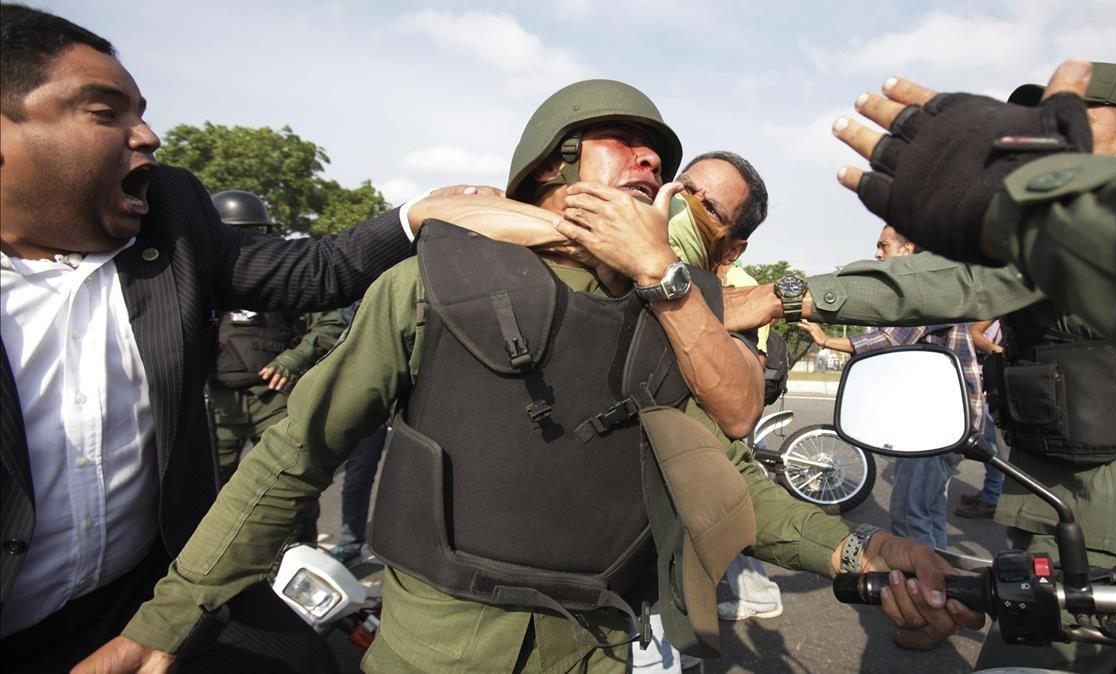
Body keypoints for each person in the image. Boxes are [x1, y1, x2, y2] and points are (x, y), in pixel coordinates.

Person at [83, 78, 978, 674]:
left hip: (594, 646)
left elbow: (726, 482)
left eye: (658, 157)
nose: (650, 163)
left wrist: (862, 551)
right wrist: (166, 621)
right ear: (553, 164)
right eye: (623, 144)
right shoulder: (428, 282)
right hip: (432, 650)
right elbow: (292, 461)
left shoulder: (675, 311)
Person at [0, 6, 413, 672]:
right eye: (106, 113)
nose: (148, 136)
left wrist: (421, 217)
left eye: (141, 111)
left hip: (146, 591)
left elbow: (316, 269)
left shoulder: (171, 221)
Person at [822, 60, 1116, 672]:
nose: (1046, 131)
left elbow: (966, 280)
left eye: (1074, 118)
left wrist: (785, 296)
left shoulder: (1112, 228)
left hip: (1111, 518)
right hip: (1060, 500)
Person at [798, 225, 983, 652]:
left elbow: (890, 337)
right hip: (940, 423)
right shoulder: (939, 284)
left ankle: (930, 616)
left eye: (884, 246)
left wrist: (827, 337)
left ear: (909, 249)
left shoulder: (926, 290)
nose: (878, 254)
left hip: (933, 426)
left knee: (911, 521)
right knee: (929, 519)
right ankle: (941, 607)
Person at [207, 190, 347, 484]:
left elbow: (330, 323)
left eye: (252, 233)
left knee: (287, 481)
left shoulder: (282, 276)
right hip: (218, 401)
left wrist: (294, 358)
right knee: (207, 491)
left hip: (273, 399)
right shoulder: (197, 277)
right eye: (236, 234)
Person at [956, 319, 1006, 519]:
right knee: (991, 441)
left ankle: (991, 497)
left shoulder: (999, 302)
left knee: (991, 443)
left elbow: (973, 332)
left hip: (990, 377)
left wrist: (995, 351)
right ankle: (991, 492)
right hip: (988, 375)